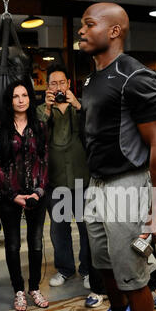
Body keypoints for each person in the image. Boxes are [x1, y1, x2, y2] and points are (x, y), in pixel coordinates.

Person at [79, 2, 156, 311]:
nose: (81, 31)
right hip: (97, 185)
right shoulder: (93, 78)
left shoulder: (135, 76)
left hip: (128, 187)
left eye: (89, 24)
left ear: (115, 30)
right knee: (104, 268)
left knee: (133, 278)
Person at [0, 81, 49, 311]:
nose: (21, 99)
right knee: (13, 245)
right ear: (10, 100)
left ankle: (34, 287)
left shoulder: (40, 126)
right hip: (9, 197)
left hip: (36, 194)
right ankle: (19, 291)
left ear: (30, 99)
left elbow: (44, 160)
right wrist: (13, 194)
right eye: (16, 96)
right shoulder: (0, 129)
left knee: (35, 243)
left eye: (25, 95)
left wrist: (38, 191)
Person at [36, 65, 94, 296]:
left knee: (86, 228)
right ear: (47, 87)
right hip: (56, 179)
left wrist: (78, 105)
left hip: (81, 177)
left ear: (69, 84)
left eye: (62, 83)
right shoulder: (42, 109)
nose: (58, 87)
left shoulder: (80, 106)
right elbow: (37, 134)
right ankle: (65, 269)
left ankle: (88, 269)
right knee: (59, 230)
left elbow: (93, 128)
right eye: (53, 83)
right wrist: (49, 108)